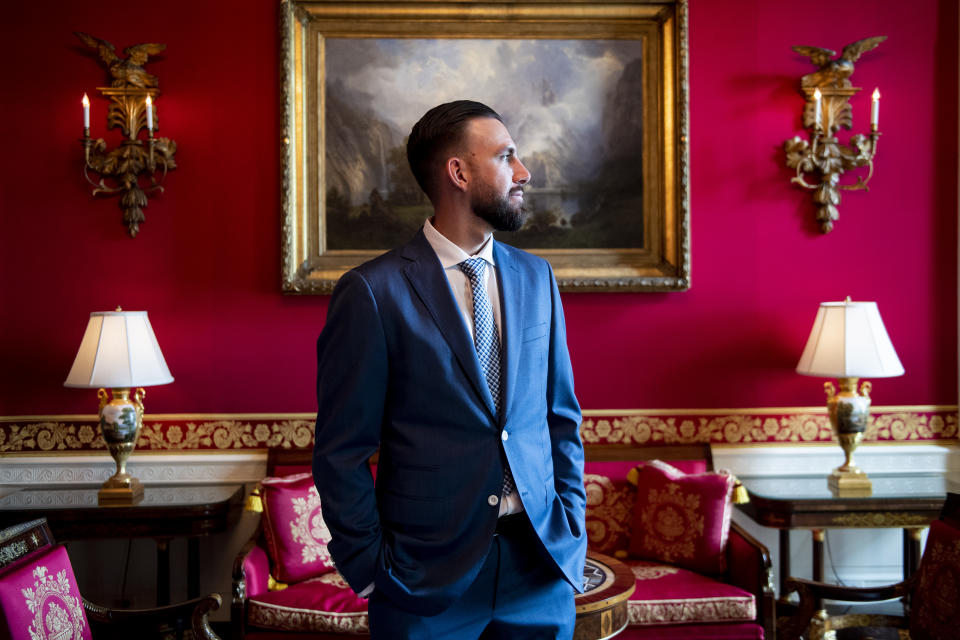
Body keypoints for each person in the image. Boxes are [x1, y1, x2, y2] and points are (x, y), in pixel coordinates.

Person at [313, 100, 586, 639]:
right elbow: (341, 450)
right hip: (424, 584)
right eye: (507, 156)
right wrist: (371, 571)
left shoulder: (537, 278)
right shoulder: (373, 291)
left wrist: (570, 526)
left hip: (539, 568)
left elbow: (561, 419)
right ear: (458, 173)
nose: (524, 171)